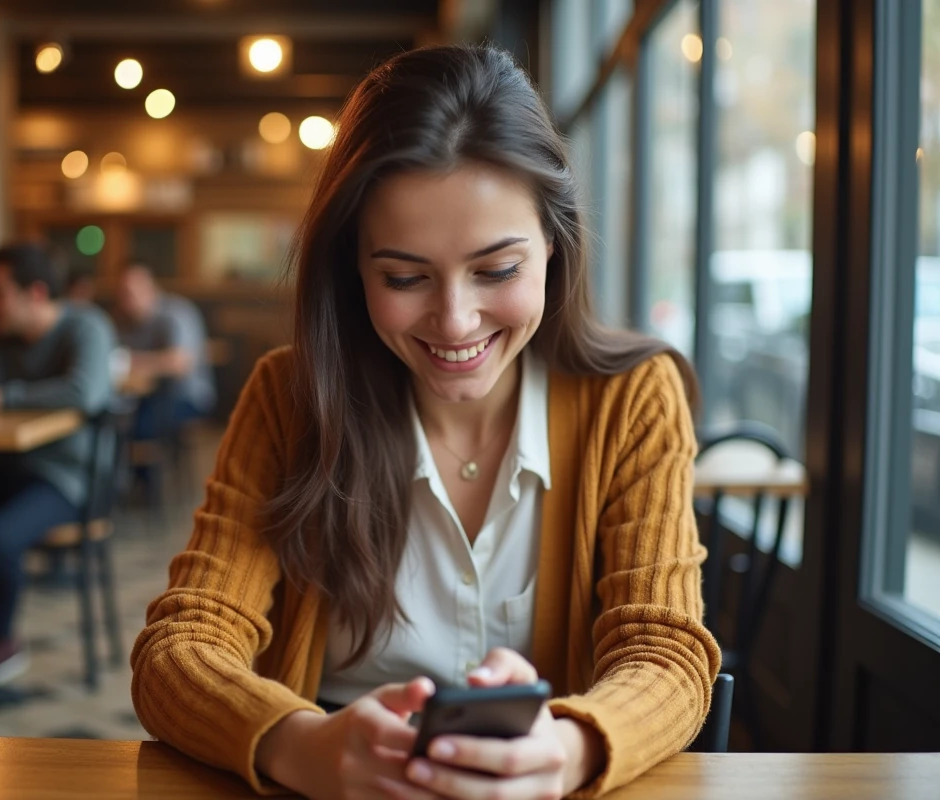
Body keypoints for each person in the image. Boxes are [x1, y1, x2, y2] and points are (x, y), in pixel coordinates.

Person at [131, 45, 720, 800]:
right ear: (355, 269)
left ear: (553, 241)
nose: (454, 320)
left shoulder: (634, 398)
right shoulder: (289, 396)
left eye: (497, 270)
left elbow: (665, 653)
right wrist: (304, 746)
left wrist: (569, 750)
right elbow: (178, 651)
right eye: (404, 277)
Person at [0, 242, 115, 685]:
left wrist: (1, 397)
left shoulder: (86, 327)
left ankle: (1, 643)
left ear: (35, 293)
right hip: (8, 471)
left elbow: (85, 393)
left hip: (72, 480)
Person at [113, 264, 216, 442]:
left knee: (137, 428)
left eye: (132, 292)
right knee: (114, 420)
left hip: (186, 397)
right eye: (122, 293)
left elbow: (180, 363)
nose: (127, 299)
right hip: (145, 396)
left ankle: (146, 468)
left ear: (151, 287)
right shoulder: (121, 319)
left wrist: (130, 361)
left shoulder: (176, 313)